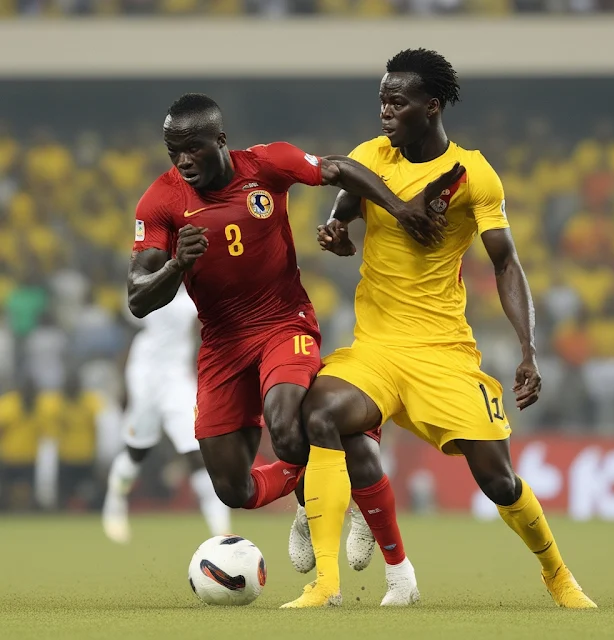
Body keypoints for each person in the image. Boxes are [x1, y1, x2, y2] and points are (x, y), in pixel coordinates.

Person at [282, 49, 597, 610]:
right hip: (376, 349)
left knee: (499, 481)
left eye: (396, 101)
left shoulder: (473, 175)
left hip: (442, 353)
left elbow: (506, 262)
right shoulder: (370, 156)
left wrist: (528, 350)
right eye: (381, 100)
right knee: (320, 414)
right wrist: (335, 233)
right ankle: (325, 584)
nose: (384, 110)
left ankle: (558, 576)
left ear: (430, 106)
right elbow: (342, 210)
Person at [127, 94, 445, 539]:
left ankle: (340, 496)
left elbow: (341, 169)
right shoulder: (160, 201)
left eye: (193, 148)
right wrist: (176, 265)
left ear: (220, 140)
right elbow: (137, 298)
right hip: (222, 344)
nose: (183, 161)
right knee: (232, 489)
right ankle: (317, 483)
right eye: (173, 152)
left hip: (283, 322)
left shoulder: (267, 164)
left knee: (286, 431)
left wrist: (399, 207)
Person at [102, 286, 231, 543]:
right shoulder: (148, 288)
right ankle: (114, 503)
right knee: (136, 451)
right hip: (145, 377)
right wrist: (124, 384)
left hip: (176, 379)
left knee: (198, 451)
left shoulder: (192, 297)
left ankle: (222, 532)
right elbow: (129, 325)